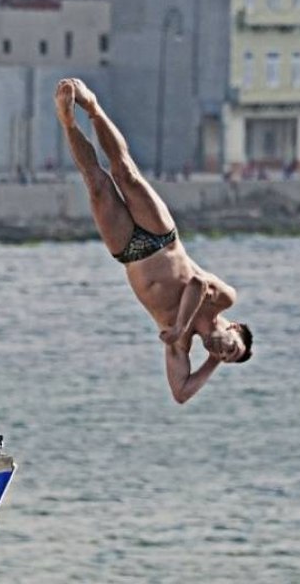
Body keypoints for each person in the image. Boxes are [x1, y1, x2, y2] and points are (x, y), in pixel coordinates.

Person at [54, 78, 252, 404]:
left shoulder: (181, 346)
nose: (224, 351)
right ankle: (92, 108)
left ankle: (68, 122)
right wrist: (181, 326)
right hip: (162, 238)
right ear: (235, 328)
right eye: (232, 348)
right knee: (124, 172)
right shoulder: (224, 300)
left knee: (96, 184)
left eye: (226, 357)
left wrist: (213, 361)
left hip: (130, 254)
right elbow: (197, 284)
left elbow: (181, 393)